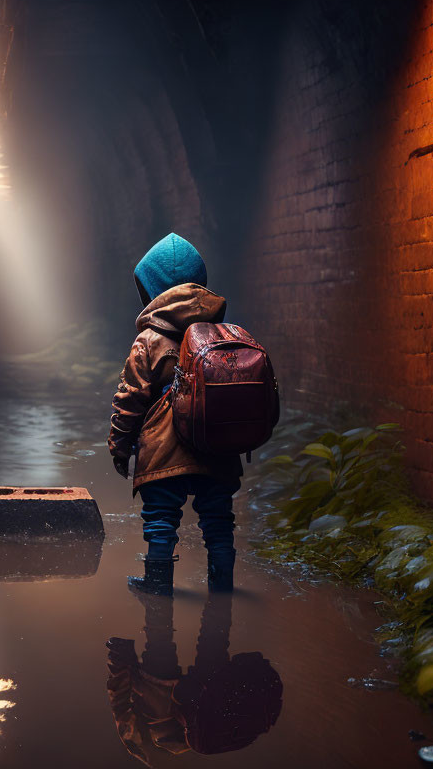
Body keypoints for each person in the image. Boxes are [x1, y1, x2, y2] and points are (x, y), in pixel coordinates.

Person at [108, 233, 242, 596]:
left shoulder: (149, 341)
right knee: (218, 522)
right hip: (218, 449)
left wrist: (120, 447)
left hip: (164, 454)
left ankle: (158, 591)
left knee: (161, 521)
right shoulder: (222, 333)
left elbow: (130, 400)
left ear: (150, 287)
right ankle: (223, 591)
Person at [106, 593, 283, 765]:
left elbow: (120, 703)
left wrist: (120, 658)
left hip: (189, 698)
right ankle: (161, 578)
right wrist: (119, 657)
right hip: (165, 696)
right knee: (161, 634)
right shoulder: (142, 748)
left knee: (211, 640)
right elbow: (120, 703)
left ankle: (218, 586)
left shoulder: (198, 754)